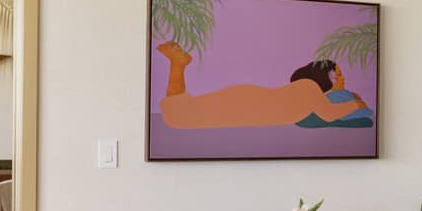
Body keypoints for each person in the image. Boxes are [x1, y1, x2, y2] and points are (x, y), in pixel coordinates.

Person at [155, 42, 369, 130]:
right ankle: (178, 64)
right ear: (323, 76)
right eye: (337, 75)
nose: (341, 80)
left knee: (183, 113)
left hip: (248, 101)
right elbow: (329, 114)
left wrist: (344, 95)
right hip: (248, 104)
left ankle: (179, 64)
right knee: (181, 116)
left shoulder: (305, 89)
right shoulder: (308, 88)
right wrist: (355, 104)